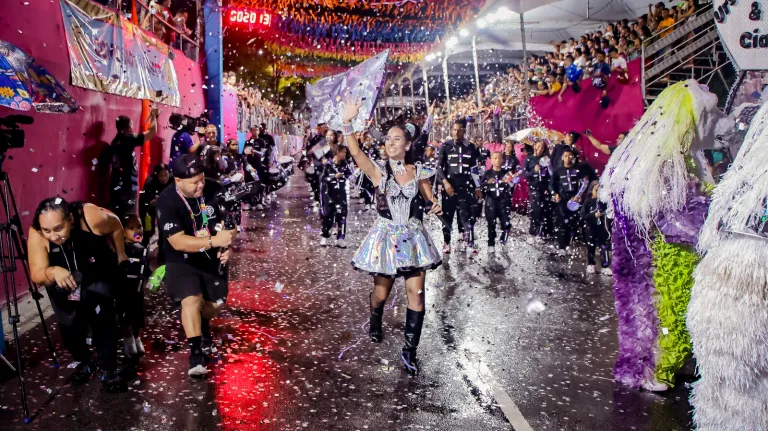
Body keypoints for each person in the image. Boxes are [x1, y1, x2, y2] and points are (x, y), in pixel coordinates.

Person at [343, 97, 442, 375]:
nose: (391, 143)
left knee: (417, 295)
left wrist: (435, 203)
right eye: (388, 139)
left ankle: (410, 351)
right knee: (381, 294)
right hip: (386, 238)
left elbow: (429, 198)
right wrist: (347, 122)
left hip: (413, 239)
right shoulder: (378, 171)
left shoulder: (420, 171)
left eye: (397, 139)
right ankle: (375, 316)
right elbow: (355, 152)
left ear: (408, 145)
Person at [28, 198, 129, 392]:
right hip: (63, 278)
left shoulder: (91, 216)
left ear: (71, 219)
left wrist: (121, 253)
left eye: (58, 228)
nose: (53, 236)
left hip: (97, 268)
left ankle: (109, 370)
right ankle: (85, 362)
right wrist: (52, 271)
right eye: (47, 230)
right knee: (70, 327)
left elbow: (116, 224)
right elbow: (37, 274)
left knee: (103, 320)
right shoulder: (37, 232)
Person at [156, 155, 236, 376]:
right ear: (178, 181)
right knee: (190, 299)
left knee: (215, 304)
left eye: (202, 179)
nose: (201, 184)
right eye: (195, 182)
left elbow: (230, 222)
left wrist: (226, 244)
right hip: (180, 258)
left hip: (211, 257)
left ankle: (202, 325)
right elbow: (177, 241)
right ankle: (196, 354)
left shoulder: (215, 189)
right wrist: (213, 241)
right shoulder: (167, 200)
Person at [436, 119, 482, 255]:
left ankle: (470, 243)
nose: (456, 132)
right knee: (447, 217)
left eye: (459, 130)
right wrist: (444, 182)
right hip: (449, 187)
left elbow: (474, 169)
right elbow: (438, 167)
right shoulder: (445, 146)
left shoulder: (471, 147)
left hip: (465, 188)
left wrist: (477, 187)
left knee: (467, 216)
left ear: (464, 130)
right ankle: (446, 243)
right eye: (454, 129)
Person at [105, 109, 159, 219]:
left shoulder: (116, 141)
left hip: (116, 184)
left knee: (118, 216)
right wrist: (154, 116)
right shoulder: (127, 139)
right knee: (130, 219)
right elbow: (152, 132)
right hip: (127, 186)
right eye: (130, 126)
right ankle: (129, 236)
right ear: (128, 128)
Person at [115, 214, 150, 373]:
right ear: (123, 232)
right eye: (131, 228)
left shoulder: (143, 248)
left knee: (139, 316)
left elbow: (145, 268)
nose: (137, 231)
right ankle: (129, 342)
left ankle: (137, 338)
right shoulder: (122, 249)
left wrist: (150, 278)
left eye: (139, 227)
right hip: (124, 289)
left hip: (138, 289)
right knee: (126, 315)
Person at [549, 148, 584, 256]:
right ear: (562, 157)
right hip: (562, 200)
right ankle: (561, 247)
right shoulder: (558, 171)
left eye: (570, 156)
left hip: (573, 200)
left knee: (572, 224)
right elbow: (551, 185)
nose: (567, 158)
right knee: (561, 224)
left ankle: (568, 245)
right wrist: (555, 194)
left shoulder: (578, 170)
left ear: (573, 157)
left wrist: (579, 196)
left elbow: (583, 184)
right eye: (565, 156)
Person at [319, 146, 352, 248]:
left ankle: (340, 238)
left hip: (341, 195)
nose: (344, 155)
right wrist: (333, 177)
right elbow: (322, 179)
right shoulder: (328, 165)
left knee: (342, 216)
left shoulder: (345, 165)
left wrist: (348, 177)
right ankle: (325, 235)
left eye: (346, 153)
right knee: (328, 216)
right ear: (337, 152)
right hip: (330, 195)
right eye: (343, 152)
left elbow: (350, 175)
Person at [483, 153, 514, 252]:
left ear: (503, 160)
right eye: (495, 158)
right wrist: (487, 183)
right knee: (491, 224)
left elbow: (512, 186)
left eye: (499, 158)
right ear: (491, 160)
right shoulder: (487, 174)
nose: (497, 160)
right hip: (491, 202)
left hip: (504, 202)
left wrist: (508, 183)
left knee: (506, 224)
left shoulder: (507, 173)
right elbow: (480, 186)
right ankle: (491, 243)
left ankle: (503, 241)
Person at [580, 181, 612, 275]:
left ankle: (605, 266)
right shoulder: (588, 201)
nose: (598, 192)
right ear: (592, 190)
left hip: (602, 227)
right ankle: (590, 264)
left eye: (600, 190)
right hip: (591, 227)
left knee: (604, 246)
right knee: (591, 245)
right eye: (596, 190)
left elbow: (608, 212)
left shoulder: (603, 202)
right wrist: (593, 215)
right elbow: (583, 215)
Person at [524, 141, 552, 243]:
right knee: (535, 210)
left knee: (543, 210)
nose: (540, 149)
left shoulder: (545, 159)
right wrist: (534, 171)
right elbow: (525, 174)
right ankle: (532, 233)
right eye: (539, 146)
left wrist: (549, 166)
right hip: (533, 188)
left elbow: (551, 175)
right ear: (534, 145)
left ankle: (540, 233)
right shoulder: (529, 159)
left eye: (542, 147)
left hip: (544, 188)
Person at [139, 163, 172, 248]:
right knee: (149, 230)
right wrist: (151, 202)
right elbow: (144, 202)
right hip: (149, 208)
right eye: (161, 176)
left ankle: (162, 251)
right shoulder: (150, 182)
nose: (164, 178)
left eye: (166, 175)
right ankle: (144, 248)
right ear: (156, 175)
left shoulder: (173, 180)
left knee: (165, 230)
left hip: (166, 208)